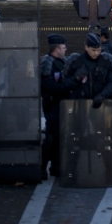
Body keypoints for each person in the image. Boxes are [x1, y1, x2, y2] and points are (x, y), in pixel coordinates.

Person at [40, 34, 70, 180]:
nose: (66, 50)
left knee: (60, 136)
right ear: (57, 49)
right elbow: (48, 85)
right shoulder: (47, 62)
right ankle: (41, 167)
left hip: (62, 105)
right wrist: (66, 89)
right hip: (52, 105)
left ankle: (56, 166)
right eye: (64, 47)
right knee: (51, 137)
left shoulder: (63, 61)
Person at [63, 33, 112, 106]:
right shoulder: (75, 61)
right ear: (86, 47)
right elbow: (65, 84)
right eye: (93, 50)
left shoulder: (106, 60)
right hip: (79, 104)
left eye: (99, 50)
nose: (96, 53)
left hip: (102, 103)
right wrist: (76, 78)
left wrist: (103, 95)